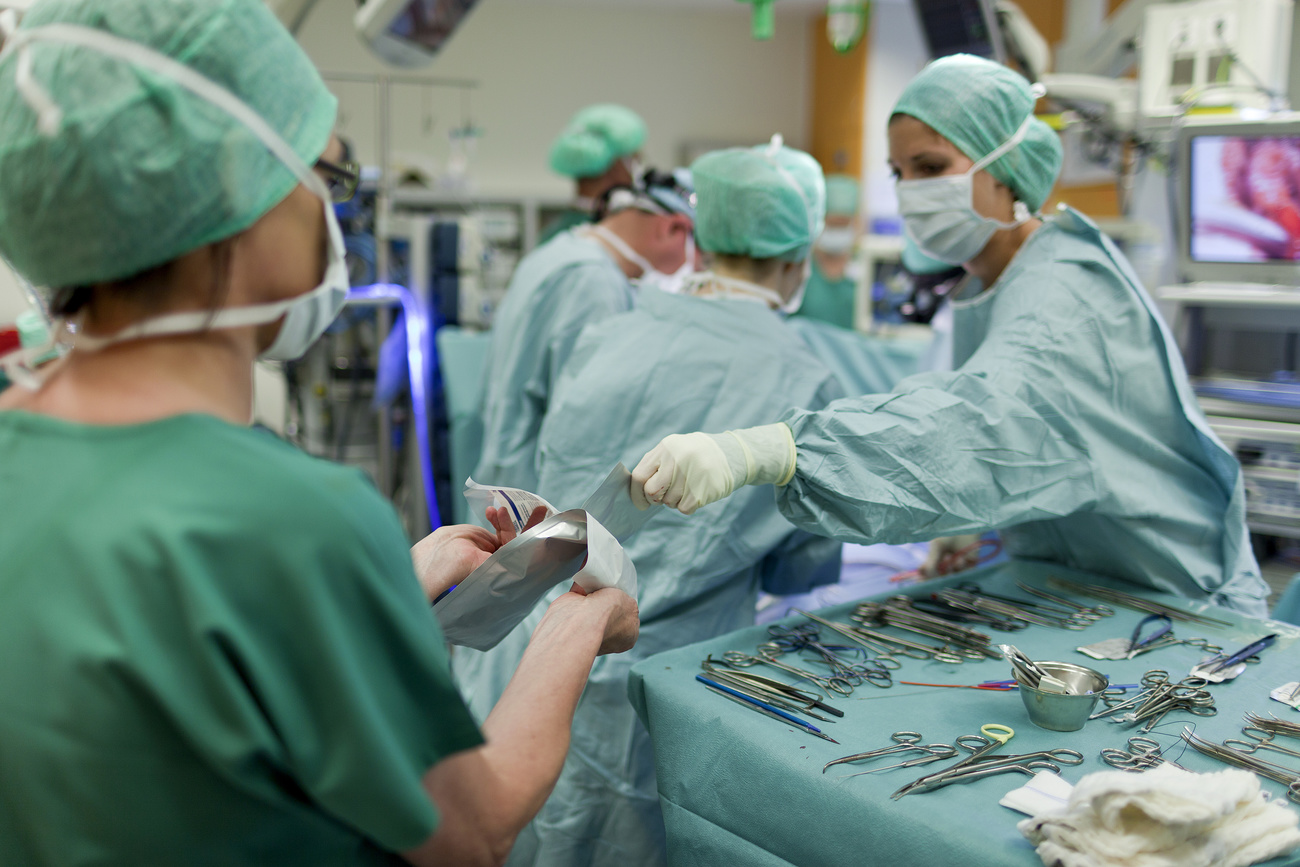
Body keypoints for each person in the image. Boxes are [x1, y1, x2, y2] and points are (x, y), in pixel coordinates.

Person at [0, 2, 637, 865]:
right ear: (237, 192)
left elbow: (186, 687)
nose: (338, 224)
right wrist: (580, 620)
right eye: (330, 182)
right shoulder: (296, 517)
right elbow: (471, 830)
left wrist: (387, 591)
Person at [628, 54, 1270, 617]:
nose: (910, 191)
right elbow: (1046, 454)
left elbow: (982, 423)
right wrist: (981, 520)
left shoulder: (1063, 295)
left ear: (1007, 169)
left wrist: (779, 450)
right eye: (900, 171)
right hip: (1089, 587)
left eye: (931, 166)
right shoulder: (992, 281)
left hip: (1181, 602)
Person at [454, 138, 842, 867]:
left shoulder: (610, 330)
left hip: (541, 655)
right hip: (662, 682)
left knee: (532, 829)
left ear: (702, 231)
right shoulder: (804, 378)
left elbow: (553, 475)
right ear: (799, 253)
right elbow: (802, 564)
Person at [475, 169, 695, 492]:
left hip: (503, 483)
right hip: (538, 506)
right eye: (698, 257)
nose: (694, 268)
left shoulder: (554, 254)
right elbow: (584, 435)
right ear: (672, 228)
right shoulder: (594, 284)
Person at [538, 104, 646, 245]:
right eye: (635, 159)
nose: (638, 168)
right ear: (616, 165)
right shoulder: (615, 236)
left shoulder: (553, 234)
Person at [792, 173, 861, 329]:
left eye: (843, 225)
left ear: (854, 223)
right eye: (832, 224)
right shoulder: (800, 269)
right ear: (818, 221)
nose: (837, 231)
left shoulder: (864, 268)